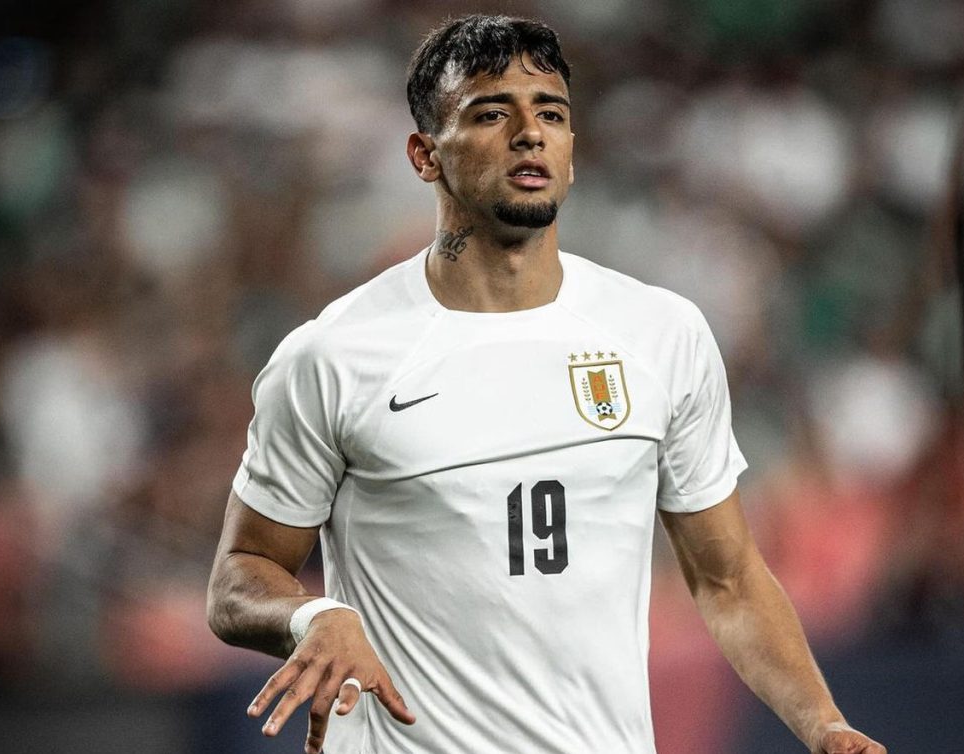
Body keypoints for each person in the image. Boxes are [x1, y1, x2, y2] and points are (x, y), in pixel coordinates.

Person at [207, 14, 886, 754]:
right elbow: (241, 576)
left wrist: (823, 725)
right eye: (492, 113)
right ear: (424, 155)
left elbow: (728, 581)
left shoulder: (661, 334)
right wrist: (311, 618)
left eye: (552, 114)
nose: (530, 133)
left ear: (571, 152)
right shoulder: (333, 356)